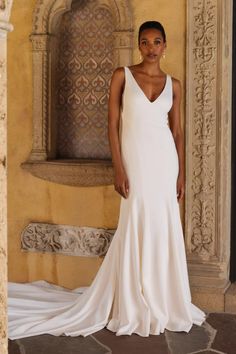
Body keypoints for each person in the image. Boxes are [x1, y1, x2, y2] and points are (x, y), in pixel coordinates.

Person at [8, 21, 206, 340]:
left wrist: (181, 173)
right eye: (145, 42)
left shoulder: (175, 84)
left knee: (163, 223)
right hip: (136, 162)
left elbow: (178, 132)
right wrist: (119, 167)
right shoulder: (122, 76)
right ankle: (133, 297)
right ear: (138, 45)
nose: (151, 47)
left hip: (165, 163)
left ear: (165, 46)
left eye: (157, 42)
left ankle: (163, 299)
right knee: (137, 220)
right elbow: (111, 124)